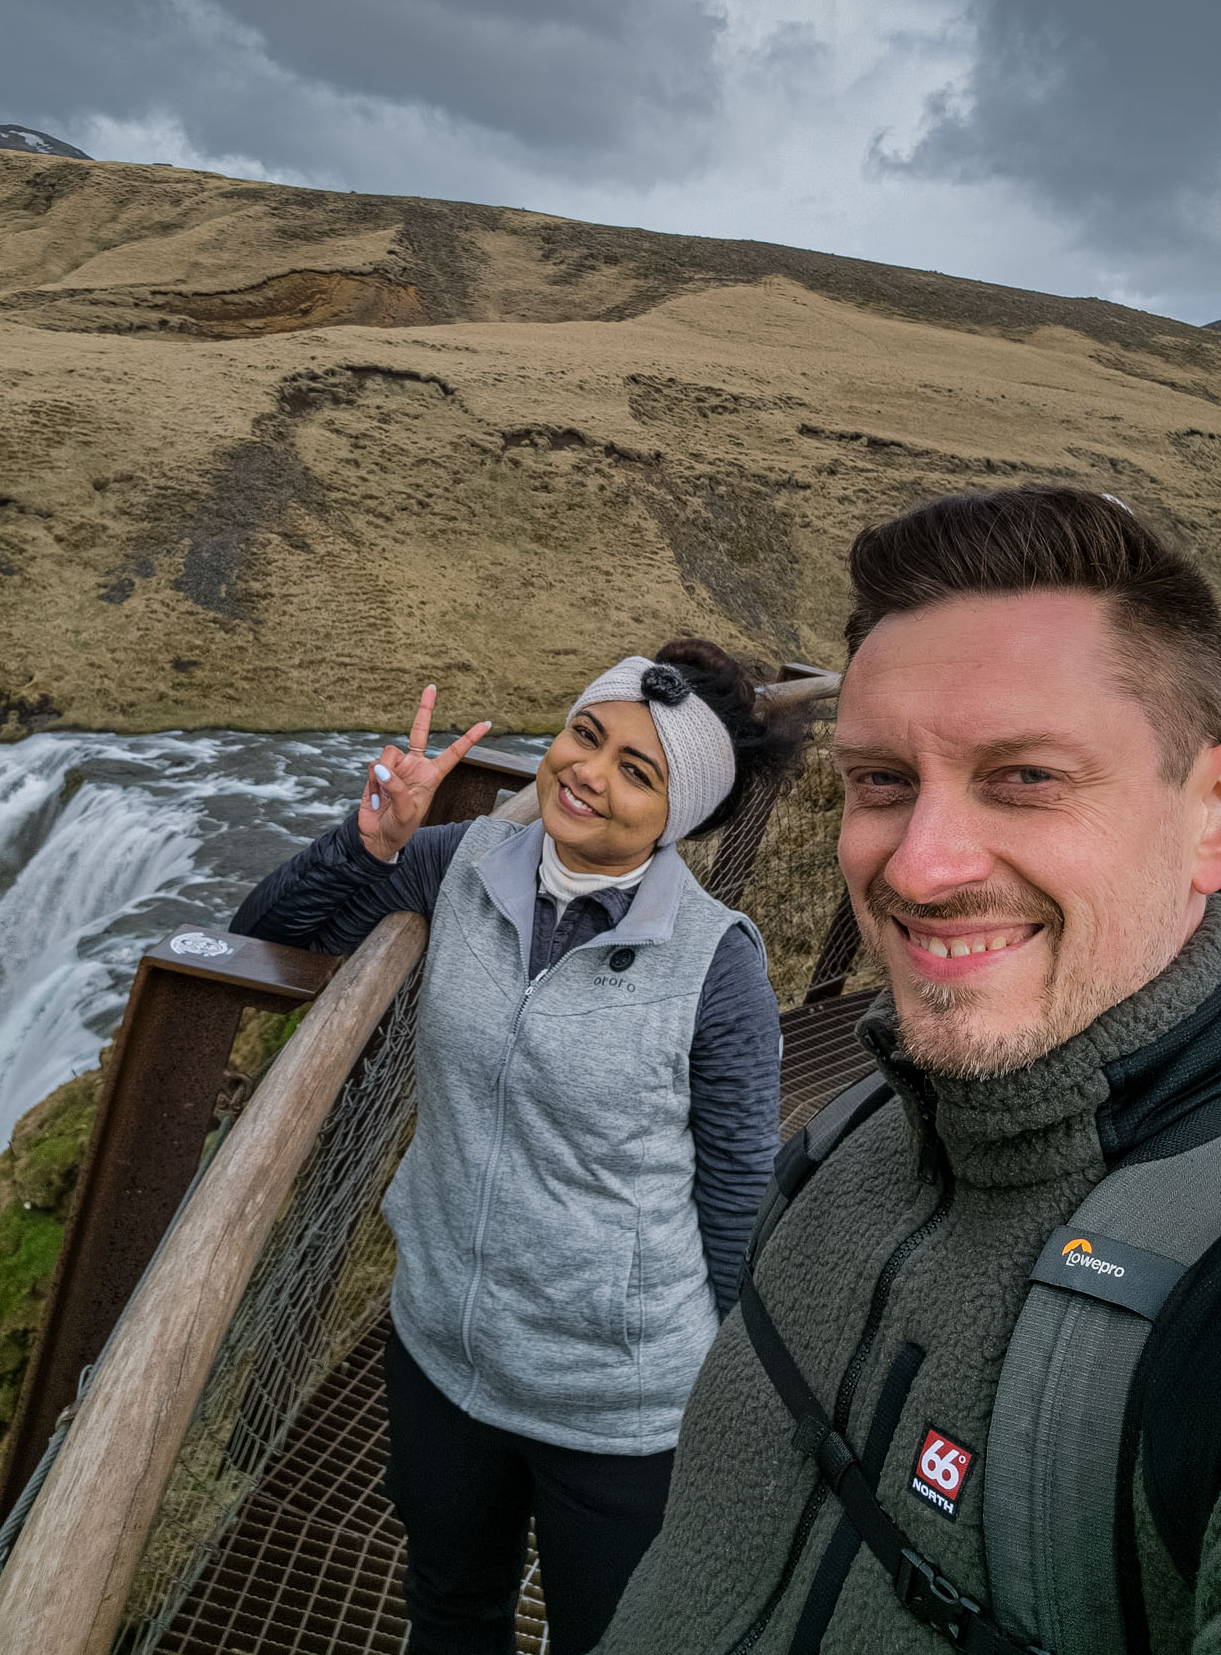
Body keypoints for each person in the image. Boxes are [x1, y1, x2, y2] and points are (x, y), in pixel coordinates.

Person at [595, 486, 1221, 1655]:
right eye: (881, 780)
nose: (922, 869)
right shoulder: (856, 1134)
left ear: (1211, 815)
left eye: (1027, 776)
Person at [229, 640, 807, 1655]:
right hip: (442, 1354)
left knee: (609, 1637)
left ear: (680, 818)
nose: (590, 774)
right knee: (452, 1610)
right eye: (587, 735)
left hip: (620, 1405)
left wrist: (715, 1386)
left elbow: (734, 1186)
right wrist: (369, 842)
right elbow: (274, 934)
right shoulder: (460, 866)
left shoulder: (718, 967)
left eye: (640, 771)